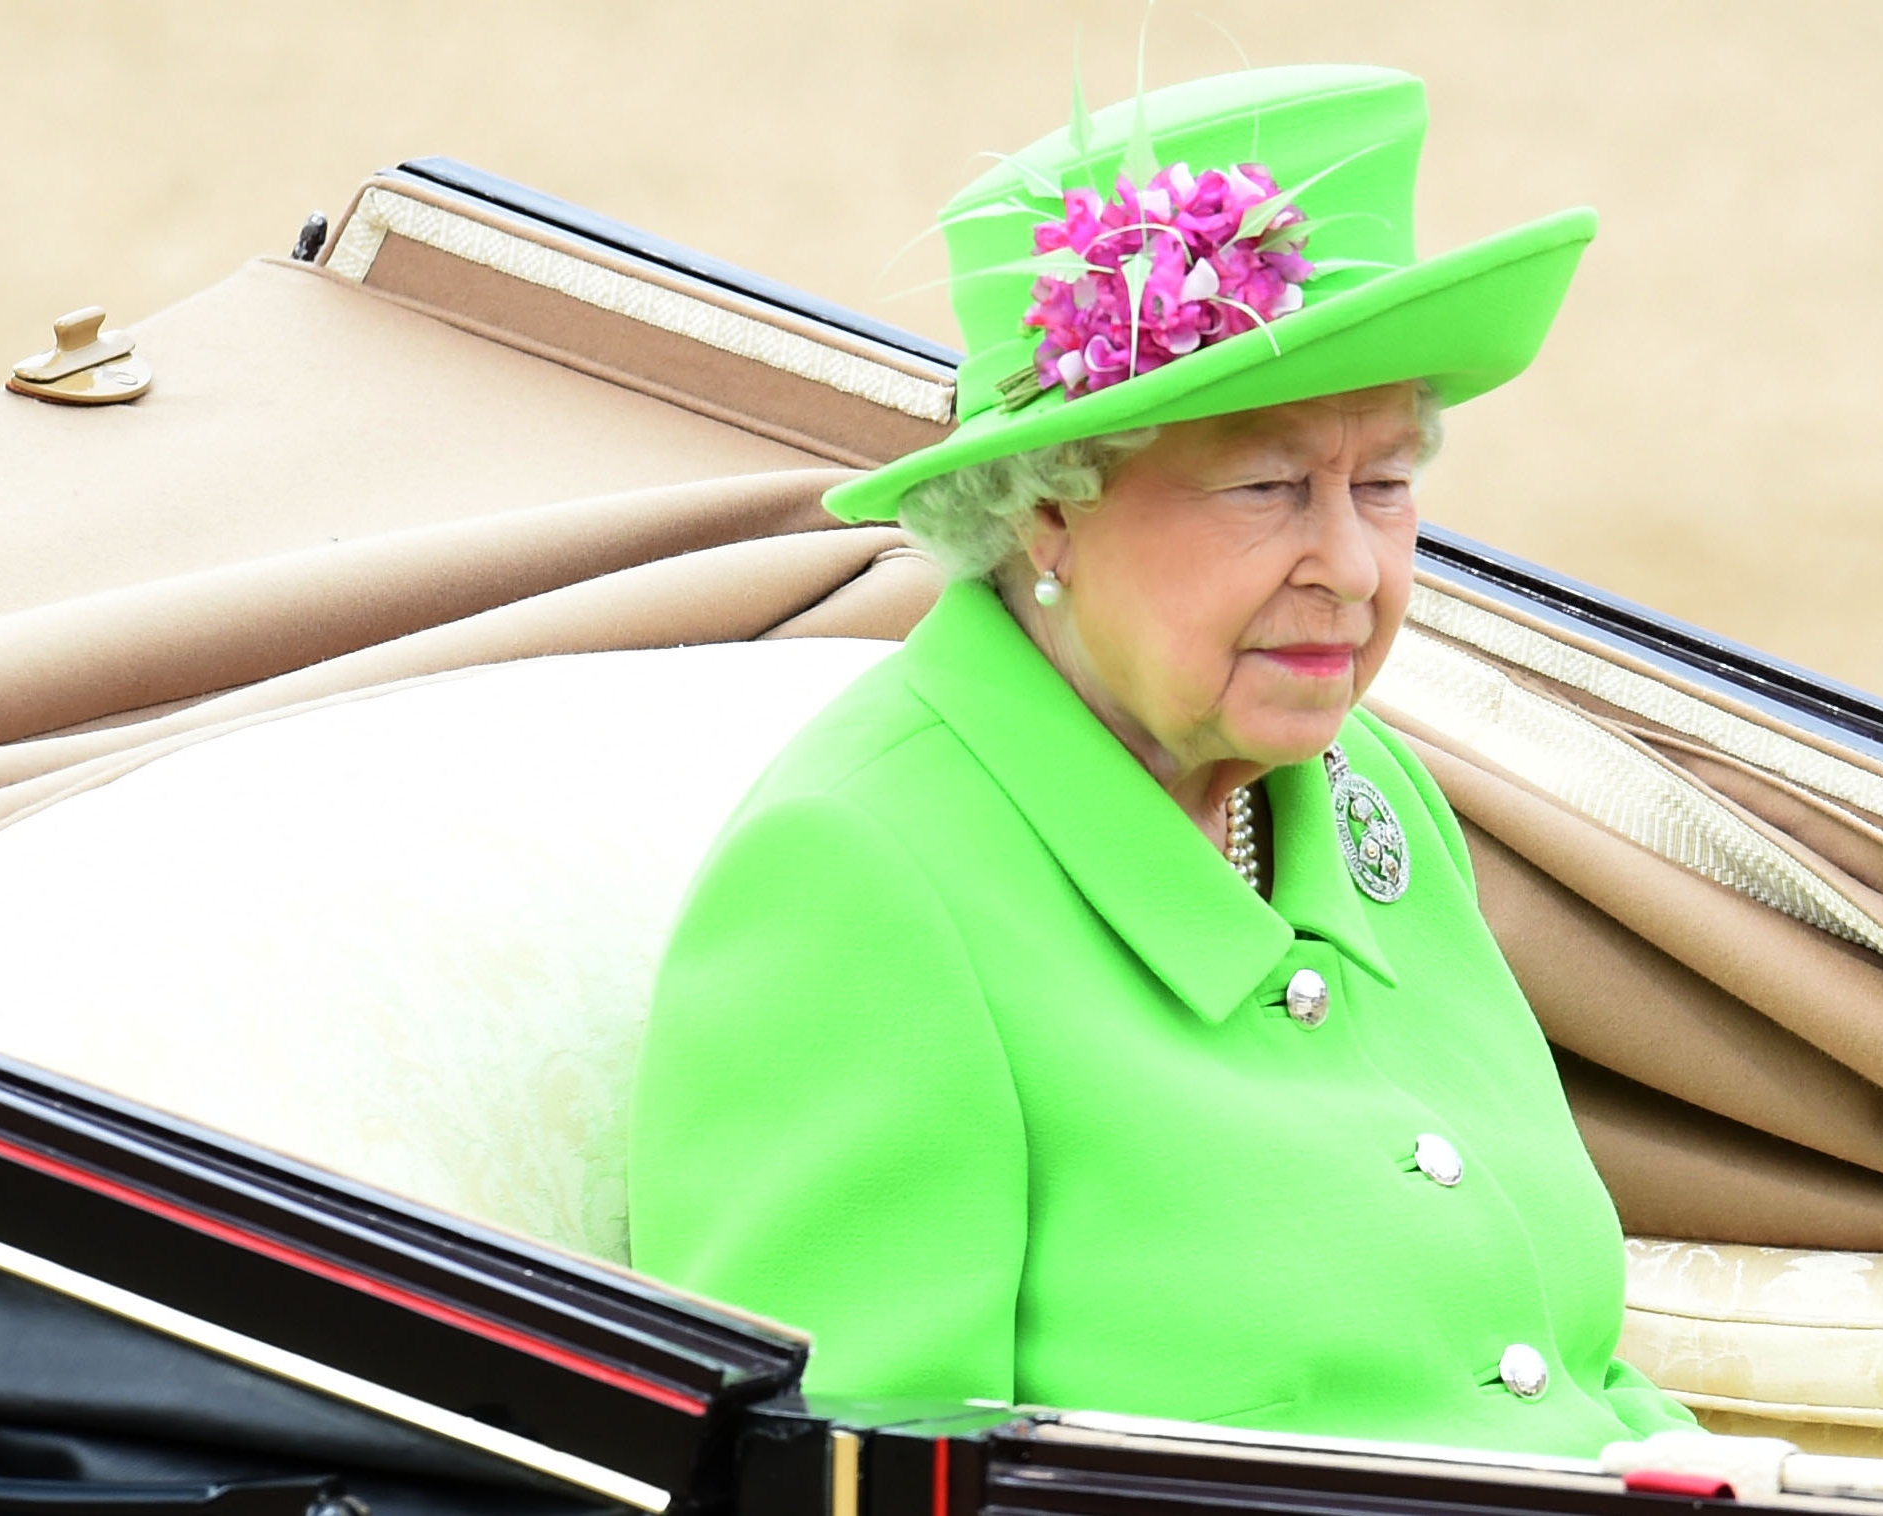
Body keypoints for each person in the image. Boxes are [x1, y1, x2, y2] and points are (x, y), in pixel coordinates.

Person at [629, 63, 1697, 1457]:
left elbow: (1565, 1376)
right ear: (1046, 514)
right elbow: (830, 1486)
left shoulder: (1369, 798)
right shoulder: (861, 878)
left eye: (1384, 483)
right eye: (1266, 487)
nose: (1356, 570)